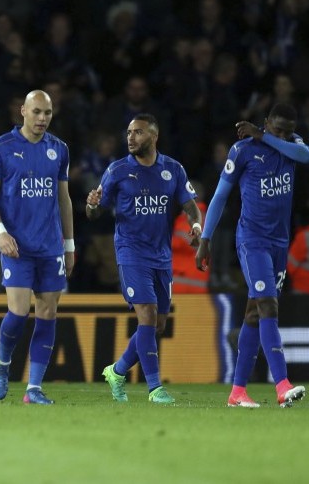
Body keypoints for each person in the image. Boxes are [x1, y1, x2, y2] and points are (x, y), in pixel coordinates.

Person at [196, 104, 309, 408]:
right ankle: (282, 385)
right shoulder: (243, 150)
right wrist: (205, 239)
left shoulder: (292, 145)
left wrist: (266, 136)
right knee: (268, 305)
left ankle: (237, 393)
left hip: (279, 244)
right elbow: (220, 195)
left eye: (288, 130)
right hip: (252, 241)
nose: (283, 134)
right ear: (266, 122)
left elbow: (306, 156)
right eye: (277, 129)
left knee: (253, 314)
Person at [86, 113, 202, 405]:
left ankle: (117, 370)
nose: (130, 138)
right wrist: (91, 205)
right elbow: (94, 212)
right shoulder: (117, 171)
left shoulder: (173, 169)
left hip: (161, 256)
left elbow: (190, 206)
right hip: (131, 252)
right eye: (128, 132)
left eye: (138, 132)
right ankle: (154, 388)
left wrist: (197, 226)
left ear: (153, 136)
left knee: (158, 325)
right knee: (147, 317)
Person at [0, 90, 74, 405]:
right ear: (22, 111)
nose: (42, 119)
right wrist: (0, 233)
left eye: (47, 113)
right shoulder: (2, 148)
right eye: (36, 112)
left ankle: (33, 388)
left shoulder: (59, 149)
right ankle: (3, 365)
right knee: (19, 312)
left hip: (50, 247)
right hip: (16, 247)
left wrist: (70, 245)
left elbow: (64, 199)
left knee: (48, 312)